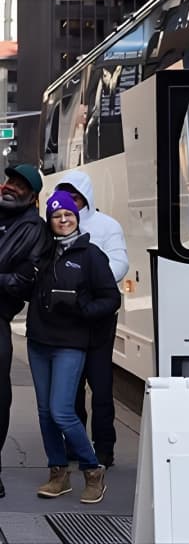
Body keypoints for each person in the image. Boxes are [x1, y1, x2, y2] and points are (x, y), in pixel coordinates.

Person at [26, 190, 120, 503]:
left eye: (68, 214)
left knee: (61, 411)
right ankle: (58, 473)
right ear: (50, 221)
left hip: (71, 343)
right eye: (56, 216)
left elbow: (111, 298)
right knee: (44, 412)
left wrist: (83, 310)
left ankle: (93, 470)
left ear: (77, 217)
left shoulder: (91, 255)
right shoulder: (43, 253)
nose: (63, 220)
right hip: (39, 342)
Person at [54, 171, 128, 468]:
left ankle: (104, 447)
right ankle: (75, 443)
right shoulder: (56, 226)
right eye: (66, 197)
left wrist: (89, 284)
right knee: (71, 387)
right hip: (68, 319)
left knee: (101, 386)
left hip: (99, 319)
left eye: (75, 197)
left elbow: (120, 262)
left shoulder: (107, 225)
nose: (71, 204)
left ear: (86, 197)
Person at [0, 164, 52, 499]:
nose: (9, 186)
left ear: (32, 195)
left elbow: (22, 282)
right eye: (9, 180)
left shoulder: (35, 231)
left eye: (19, 184)